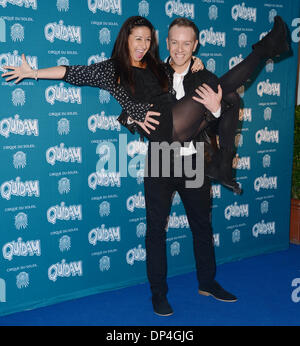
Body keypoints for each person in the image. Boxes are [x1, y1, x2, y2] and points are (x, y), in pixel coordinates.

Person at [2, 15, 289, 316]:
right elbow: (73, 73)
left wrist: (216, 107)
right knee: (156, 230)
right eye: (139, 38)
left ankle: (208, 282)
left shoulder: (182, 70)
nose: (143, 45)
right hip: (162, 152)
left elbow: (216, 109)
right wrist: (33, 73)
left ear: (193, 46)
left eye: (147, 39)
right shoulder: (126, 68)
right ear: (131, 39)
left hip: (192, 158)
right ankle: (158, 294)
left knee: (202, 224)